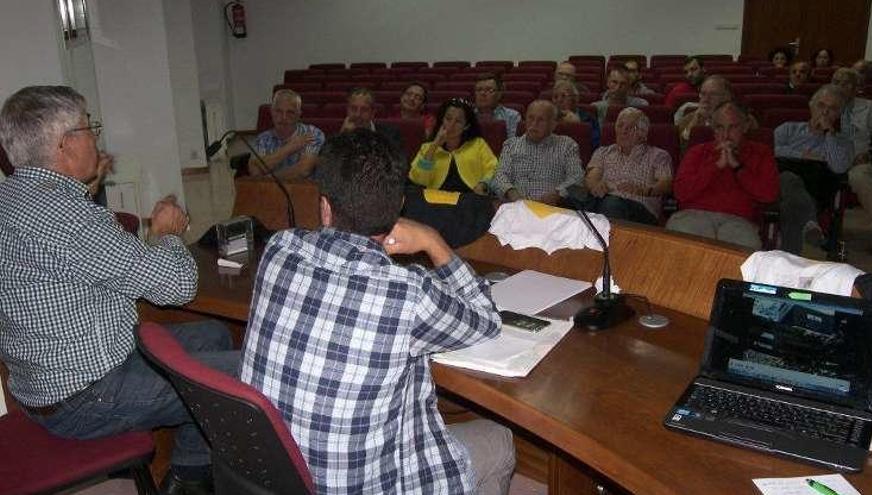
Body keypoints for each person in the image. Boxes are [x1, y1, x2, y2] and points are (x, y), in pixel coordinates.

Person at [239, 128, 515, 495]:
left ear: (324, 207)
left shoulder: (278, 249)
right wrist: (434, 242)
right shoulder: (407, 292)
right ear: (400, 205)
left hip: (271, 473)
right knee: (499, 441)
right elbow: (486, 320)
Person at [0, 86, 240, 495]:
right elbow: (178, 287)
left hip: (43, 381)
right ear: (65, 145)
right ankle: (195, 480)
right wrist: (164, 234)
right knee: (245, 376)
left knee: (215, 335)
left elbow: (73, 257)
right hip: (86, 397)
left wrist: (87, 187)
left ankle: (188, 474)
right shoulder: (69, 220)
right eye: (88, 127)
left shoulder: (14, 195)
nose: (96, 135)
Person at [666, 101, 779, 249]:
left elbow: (769, 194)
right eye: (720, 127)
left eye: (733, 127)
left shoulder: (761, 153)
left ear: (745, 126)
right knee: (688, 244)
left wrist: (737, 168)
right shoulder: (698, 152)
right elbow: (680, 192)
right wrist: (716, 166)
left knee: (741, 251)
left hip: (739, 221)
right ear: (713, 129)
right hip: (694, 215)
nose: (726, 135)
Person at [775, 84, 854, 254]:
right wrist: (803, 155)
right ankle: (809, 223)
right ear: (811, 106)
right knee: (789, 179)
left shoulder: (843, 142)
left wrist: (829, 135)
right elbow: (770, 150)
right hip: (779, 187)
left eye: (832, 109)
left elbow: (839, 167)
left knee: (792, 204)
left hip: (817, 191)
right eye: (821, 105)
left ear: (839, 114)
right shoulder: (788, 128)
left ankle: (789, 260)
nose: (825, 112)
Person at [572, 108, 673, 225]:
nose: (623, 131)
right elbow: (592, 177)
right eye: (620, 126)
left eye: (630, 127)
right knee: (570, 194)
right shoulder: (603, 152)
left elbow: (666, 184)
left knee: (611, 203)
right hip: (602, 200)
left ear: (643, 133)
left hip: (638, 208)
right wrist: (595, 185)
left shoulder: (659, 155)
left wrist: (644, 190)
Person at [492, 100, 583, 205]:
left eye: (541, 120)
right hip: (516, 207)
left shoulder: (567, 145)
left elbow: (577, 177)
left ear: (553, 125)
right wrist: (511, 192)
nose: (534, 124)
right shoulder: (511, 145)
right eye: (530, 118)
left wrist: (558, 193)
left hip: (551, 209)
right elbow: (500, 175)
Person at [833, 68, 872, 253]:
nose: (839, 87)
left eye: (845, 83)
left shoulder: (869, 107)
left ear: (855, 88)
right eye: (836, 82)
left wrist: (871, 153)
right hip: (827, 159)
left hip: (858, 160)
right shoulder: (823, 103)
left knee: (860, 178)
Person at [410, 98, 497, 194]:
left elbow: (493, 169)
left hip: (470, 198)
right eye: (448, 119)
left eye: (458, 121)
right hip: (435, 200)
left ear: (466, 126)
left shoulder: (478, 144)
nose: (451, 125)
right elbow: (419, 180)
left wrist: (483, 184)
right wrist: (435, 145)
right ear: (442, 120)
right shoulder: (428, 148)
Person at [251, 88, 325, 179]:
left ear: (299, 114)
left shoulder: (312, 133)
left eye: (290, 112)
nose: (284, 117)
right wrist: (289, 148)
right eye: (278, 111)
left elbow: (303, 170)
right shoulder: (262, 139)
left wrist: (267, 179)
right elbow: (255, 170)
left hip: (304, 190)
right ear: (272, 112)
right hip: (269, 192)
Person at [339, 87, 403, 151]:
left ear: (373, 113)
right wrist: (343, 137)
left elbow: (396, 159)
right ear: (347, 110)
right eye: (353, 109)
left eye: (364, 110)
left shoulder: (391, 134)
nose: (357, 114)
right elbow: (332, 159)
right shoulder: (340, 134)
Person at [675, 75, 734, 143]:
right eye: (703, 94)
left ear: (727, 97)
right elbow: (684, 148)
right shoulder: (686, 120)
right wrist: (695, 121)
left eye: (713, 94)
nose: (706, 99)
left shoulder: (739, 121)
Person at [551, 79, 600, 150]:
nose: (559, 100)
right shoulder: (548, 119)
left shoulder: (588, 119)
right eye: (555, 97)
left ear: (575, 99)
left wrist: (578, 126)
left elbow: (595, 145)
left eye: (563, 96)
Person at [474, 73, 522, 139]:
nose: (482, 93)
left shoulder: (512, 116)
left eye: (489, 90)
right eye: (479, 90)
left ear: (499, 94)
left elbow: (513, 144)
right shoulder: (467, 116)